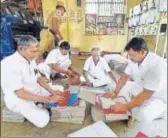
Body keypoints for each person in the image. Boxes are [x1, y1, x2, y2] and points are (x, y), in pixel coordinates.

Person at [1, 35, 65, 128]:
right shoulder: (8, 64)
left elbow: (39, 78)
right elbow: (21, 93)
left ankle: (38, 104)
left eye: (36, 51)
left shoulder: (30, 59)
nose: (35, 54)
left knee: (60, 89)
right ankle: (38, 106)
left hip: (34, 90)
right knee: (43, 121)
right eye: (32, 51)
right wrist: (49, 99)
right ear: (21, 48)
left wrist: (52, 91)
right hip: (19, 99)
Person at [103, 37, 167, 126]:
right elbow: (124, 77)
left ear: (142, 52)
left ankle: (161, 111)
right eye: (129, 55)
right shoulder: (133, 60)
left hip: (157, 96)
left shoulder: (157, 65)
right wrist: (115, 92)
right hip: (141, 87)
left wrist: (124, 107)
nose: (130, 58)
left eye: (132, 55)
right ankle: (133, 107)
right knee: (113, 86)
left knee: (143, 116)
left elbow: (146, 94)